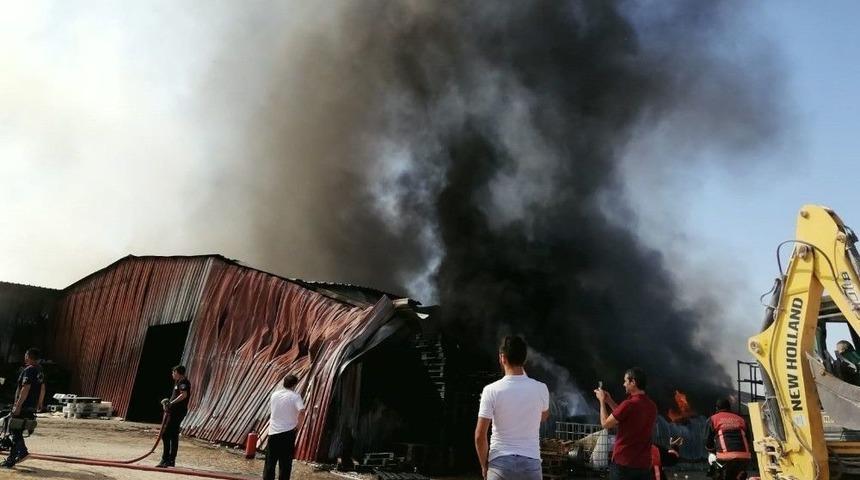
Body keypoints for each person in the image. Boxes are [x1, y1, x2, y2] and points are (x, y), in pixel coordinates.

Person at [474, 335, 550, 480]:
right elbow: (543, 416)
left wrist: (484, 466)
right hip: (531, 465)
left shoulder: (491, 390)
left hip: (500, 465)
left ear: (502, 358)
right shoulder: (541, 388)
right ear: (525, 359)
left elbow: (479, 436)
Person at [594, 367, 658, 480]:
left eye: (625, 381)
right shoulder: (652, 406)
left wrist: (602, 402)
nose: (624, 384)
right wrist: (609, 401)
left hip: (623, 464)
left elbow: (605, 424)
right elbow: (624, 415)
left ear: (633, 382)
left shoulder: (629, 404)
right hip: (643, 464)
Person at [2, 348, 45, 468]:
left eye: (26, 355)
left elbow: (25, 389)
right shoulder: (39, 370)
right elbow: (42, 388)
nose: (24, 357)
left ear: (28, 356)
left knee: (14, 431)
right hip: (31, 406)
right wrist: (40, 403)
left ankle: (23, 453)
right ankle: (11, 460)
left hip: (24, 406)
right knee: (18, 432)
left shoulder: (29, 370)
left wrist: (18, 405)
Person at [264, 374, 305, 480]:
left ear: (284, 383)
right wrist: (298, 427)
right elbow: (302, 411)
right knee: (285, 463)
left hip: (273, 432)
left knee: (270, 462)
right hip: (288, 432)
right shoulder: (295, 397)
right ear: (295, 384)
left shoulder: (274, 395)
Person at [705, 397, 750, 480]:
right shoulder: (741, 419)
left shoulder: (713, 419)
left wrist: (712, 452)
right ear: (729, 407)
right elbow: (748, 439)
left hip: (725, 457)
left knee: (716, 470)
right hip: (744, 457)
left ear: (716, 408)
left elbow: (708, 442)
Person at [157, 365, 191, 468]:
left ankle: (166, 459)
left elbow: (183, 395)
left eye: (173, 372)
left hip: (178, 412)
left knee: (166, 434)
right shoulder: (178, 382)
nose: (172, 374)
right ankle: (170, 460)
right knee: (173, 435)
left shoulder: (183, 382)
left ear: (177, 372)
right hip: (174, 411)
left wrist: (171, 403)